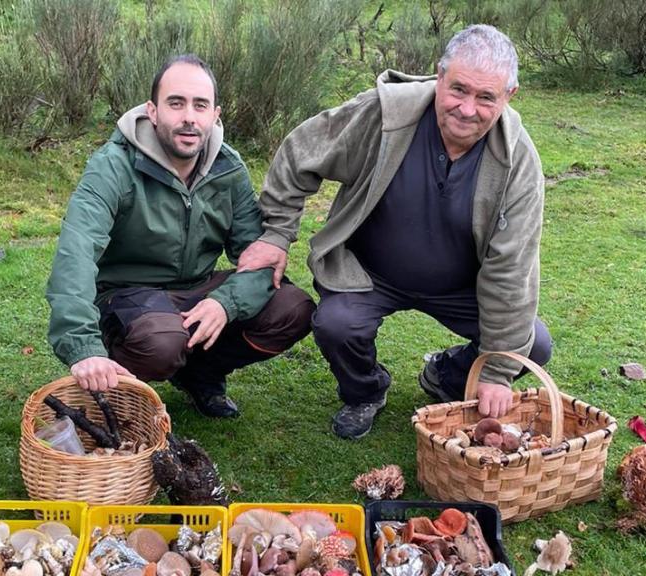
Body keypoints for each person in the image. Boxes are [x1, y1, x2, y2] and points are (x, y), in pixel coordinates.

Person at [237, 25, 552, 438]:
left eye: (485, 97)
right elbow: (301, 153)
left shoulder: (519, 164)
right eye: (458, 89)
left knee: (533, 344)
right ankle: (366, 391)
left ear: (509, 97)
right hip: (370, 275)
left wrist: (496, 370)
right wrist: (276, 234)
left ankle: (446, 376)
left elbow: (511, 270)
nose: (467, 108)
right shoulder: (384, 116)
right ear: (439, 77)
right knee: (336, 323)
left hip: (462, 286)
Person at [46, 55, 315, 418]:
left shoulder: (228, 168)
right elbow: (75, 252)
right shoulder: (113, 165)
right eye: (176, 103)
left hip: (195, 289)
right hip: (126, 297)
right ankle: (111, 385)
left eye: (200, 105)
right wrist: (83, 347)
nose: (189, 116)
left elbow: (258, 256)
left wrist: (225, 303)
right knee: (161, 342)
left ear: (215, 115)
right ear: (153, 111)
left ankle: (200, 375)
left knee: (292, 309)